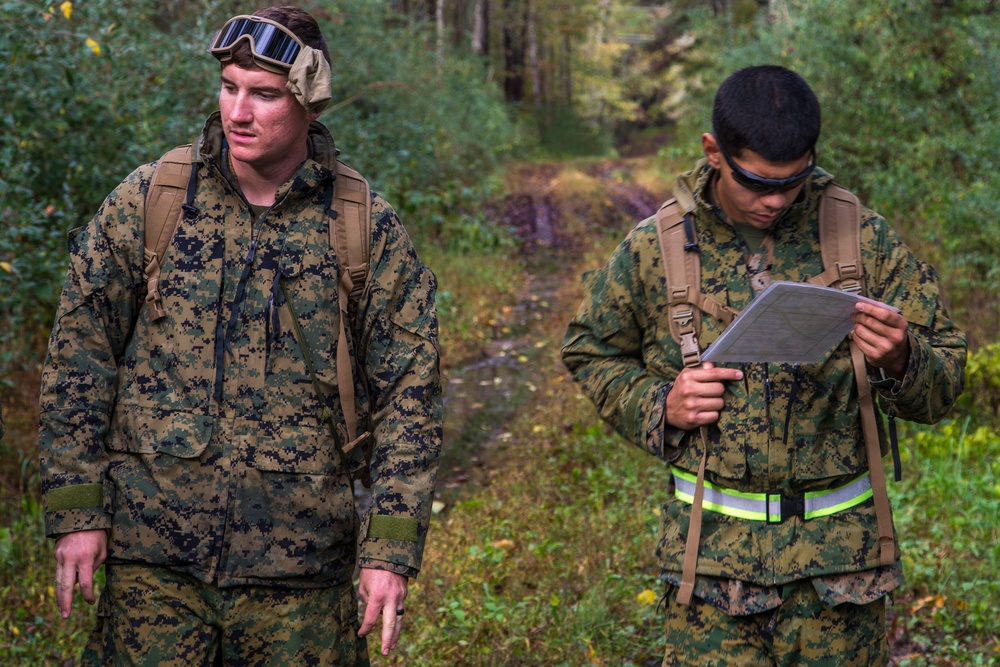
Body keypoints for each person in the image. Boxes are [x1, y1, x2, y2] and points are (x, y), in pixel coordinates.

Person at [38, 6, 441, 665]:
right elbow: (79, 352)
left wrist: (390, 551)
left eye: (264, 94)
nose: (238, 112)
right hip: (154, 567)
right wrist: (77, 507)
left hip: (301, 577)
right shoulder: (154, 199)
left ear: (309, 98)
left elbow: (410, 396)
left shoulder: (363, 228)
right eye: (229, 87)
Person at [561, 65, 966, 666]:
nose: (776, 200)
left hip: (842, 575)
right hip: (710, 574)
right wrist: (660, 406)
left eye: (794, 180)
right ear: (713, 152)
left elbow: (947, 374)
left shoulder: (860, 238)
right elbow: (589, 350)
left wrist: (904, 359)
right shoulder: (657, 248)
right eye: (756, 181)